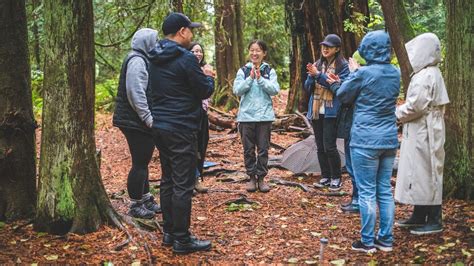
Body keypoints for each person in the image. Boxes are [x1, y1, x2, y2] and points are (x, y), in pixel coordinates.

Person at [148, 12, 214, 254]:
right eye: (190, 30)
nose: (192, 35)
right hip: (182, 127)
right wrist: (208, 77)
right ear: (182, 32)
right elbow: (203, 91)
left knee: (167, 180)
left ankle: (169, 232)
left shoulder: (153, 57)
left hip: (161, 127)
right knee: (183, 184)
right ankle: (182, 239)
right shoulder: (186, 59)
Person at [336, 30, 400, 253]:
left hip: (365, 140)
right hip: (389, 139)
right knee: (384, 190)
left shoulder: (362, 74)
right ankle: (386, 239)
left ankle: (367, 241)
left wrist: (354, 73)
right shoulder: (395, 73)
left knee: (366, 191)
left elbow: (343, 95)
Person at [394, 33, 449, 235]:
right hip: (422, 129)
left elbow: (416, 106)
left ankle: (434, 219)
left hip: (426, 131)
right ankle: (419, 214)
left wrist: (396, 113)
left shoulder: (427, 75)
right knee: (418, 173)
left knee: (428, 171)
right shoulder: (429, 73)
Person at [112, 28, 161, 219]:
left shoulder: (142, 58)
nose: (156, 44)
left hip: (136, 120)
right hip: (135, 121)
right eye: (154, 41)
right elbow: (135, 93)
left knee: (143, 160)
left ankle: (146, 197)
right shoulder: (137, 61)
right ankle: (135, 204)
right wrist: (148, 118)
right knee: (139, 162)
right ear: (146, 43)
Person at [233, 40, 280, 193]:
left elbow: (274, 90)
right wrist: (250, 78)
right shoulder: (243, 71)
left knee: (263, 149)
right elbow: (237, 90)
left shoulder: (269, 70)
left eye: (258, 50)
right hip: (246, 117)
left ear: (264, 53)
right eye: (252, 50)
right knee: (248, 149)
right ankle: (251, 177)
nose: (255, 53)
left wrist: (260, 79)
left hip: (264, 117)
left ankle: (261, 178)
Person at [304, 34, 349, 191]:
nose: (325, 48)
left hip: (331, 111)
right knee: (320, 146)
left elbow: (340, 88)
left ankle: (336, 177)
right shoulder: (317, 63)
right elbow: (307, 88)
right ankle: (325, 176)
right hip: (316, 110)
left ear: (337, 49)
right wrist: (311, 77)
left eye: (329, 46)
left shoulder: (343, 66)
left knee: (329, 146)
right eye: (323, 46)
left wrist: (318, 75)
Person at [327, 51, 367, 213]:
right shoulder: (363, 78)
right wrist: (342, 81)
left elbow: (346, 96)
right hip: (354, 126)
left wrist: (336, 85)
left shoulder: (359, 78)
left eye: (352, 62)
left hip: (354, 126)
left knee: (354, 165)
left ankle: (358, 200)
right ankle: (357, 198)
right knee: (354, 165)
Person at [189, 42, 215, 194]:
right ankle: (190, 179)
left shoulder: (205, 69)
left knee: (201, 146)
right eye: (194, 51)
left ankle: (197, 177)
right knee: (191, 148)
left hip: (202, 114)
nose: (198, 54)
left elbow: (209, 92)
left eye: (200, 51)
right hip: (191, 114)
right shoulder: (188, 69)